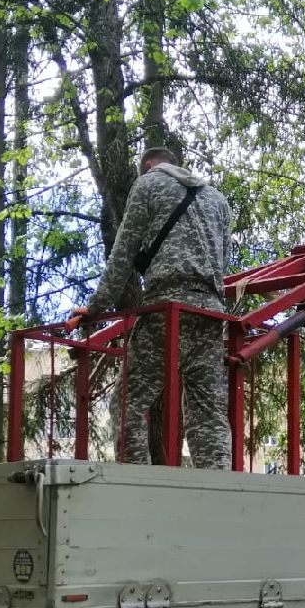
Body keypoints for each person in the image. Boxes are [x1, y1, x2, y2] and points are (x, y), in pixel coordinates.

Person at [67, 146, 232, 469]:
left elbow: (124, 251)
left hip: (169, 304)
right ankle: (217, 487)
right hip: (211, 311)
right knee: (208, 410)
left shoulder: (149, 184)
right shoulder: (217, 200)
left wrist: (97, 306)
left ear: (148, 166)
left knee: (127, 403)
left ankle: (136, 486)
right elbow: (223, 262)